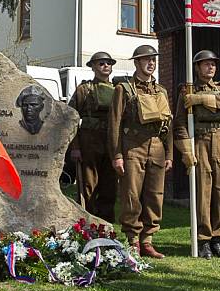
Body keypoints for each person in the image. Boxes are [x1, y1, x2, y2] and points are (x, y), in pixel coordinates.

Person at [107, 44, 173, 259]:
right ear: (136, 63)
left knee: (155, 196)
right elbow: (114, 124)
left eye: (153, 59)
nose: (151, 63)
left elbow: (168, 126)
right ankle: (133, 240)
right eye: (146, 59)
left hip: (157, 148)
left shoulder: (161, 91)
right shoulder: (123, 89)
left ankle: (148, 240)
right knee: (131, 195)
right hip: (133, 146)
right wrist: (117, 155)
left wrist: (169, 154)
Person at [173, 49, 220, 259]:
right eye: (206, 64)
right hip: (199, 140)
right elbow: (180, 122)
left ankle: (218, 238)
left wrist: (201, 99)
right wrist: (185, 150)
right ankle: (203, 239)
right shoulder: (187, 90)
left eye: (213, 64)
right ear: (197, 67)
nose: (211, 67)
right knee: (203, 191)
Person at [68, 51, 118, 223]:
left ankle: (106, 225)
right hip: (89, 141)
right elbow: (71, 118)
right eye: (101, 63)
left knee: (110, 186)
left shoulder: (118, 90)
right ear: (93, 67)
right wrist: (75, 147)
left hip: (111, 141)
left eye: (108, 63)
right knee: (89, 185)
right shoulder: (84, 89)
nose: (106, 66)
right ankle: (88, 222)